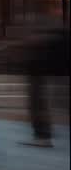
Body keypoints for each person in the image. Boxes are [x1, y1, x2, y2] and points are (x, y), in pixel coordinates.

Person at [22, 20, 69, 148]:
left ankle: (42, 136)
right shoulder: (59, 34)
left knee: (38, 103)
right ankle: (43, 134)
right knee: (42, 103)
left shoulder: (48, 37)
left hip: (41, 73)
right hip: (49, 73)